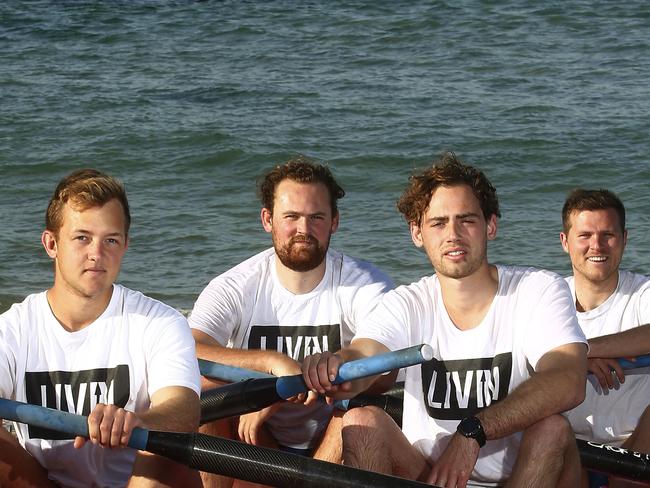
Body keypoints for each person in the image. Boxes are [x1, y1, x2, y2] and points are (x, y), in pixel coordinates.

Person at [301, 152, 588, 488]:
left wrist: (474, 431)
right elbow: (364, 355)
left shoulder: (537, 290)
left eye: (466, 219)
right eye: (438, 223)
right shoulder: (406, 304)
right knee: (362, 420)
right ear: (417, 234)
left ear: (490, 225)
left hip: (522, 476)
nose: (453, 234)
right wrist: (335, 367)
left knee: (552, 429)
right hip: (433, 477)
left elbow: (569, 378)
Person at [189, 156, 394, 487]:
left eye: (316, 217)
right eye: (291, 217)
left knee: (362, 413)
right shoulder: (235, 285)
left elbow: (388, 368)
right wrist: (271, 369)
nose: (304, 229)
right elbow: (187, 353)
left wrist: (307, 380)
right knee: (202, 399)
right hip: (256, 438)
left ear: (335, 222)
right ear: (267, 219)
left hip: (334, 439)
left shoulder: (366, 284)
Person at [0, 169, 202, 488]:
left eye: (111, 240)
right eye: (82, 238)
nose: (97, 254)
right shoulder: (13, 328)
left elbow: (184, 407)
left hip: (136, 482)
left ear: (125, 246)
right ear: (51, 243)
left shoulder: (161, 322)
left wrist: (138, 421)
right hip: (42, 482)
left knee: (168, 452)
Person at [560, 188, 650, 487]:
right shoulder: (547, 297)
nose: (596, 245)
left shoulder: (642, 293)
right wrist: (575, 360)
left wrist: (583, 350)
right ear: (565, 242)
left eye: (607, 235)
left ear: (624, 239)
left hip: (637, 445)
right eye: (585, 235)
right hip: (568, 447)